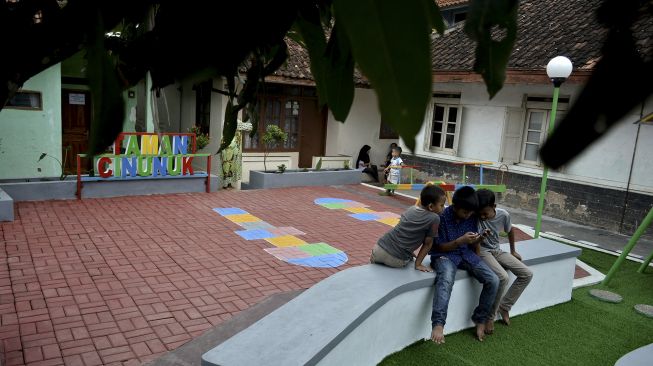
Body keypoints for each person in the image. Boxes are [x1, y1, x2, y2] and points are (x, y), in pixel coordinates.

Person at [430, 186, 499, 344]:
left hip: (466, 254)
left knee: (493, 280)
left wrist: (478, 239)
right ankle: (438, 324)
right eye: (465, 212)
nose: (468, 215)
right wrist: (459, 241)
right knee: (446, 279)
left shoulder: (472, 215)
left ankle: (480, 319)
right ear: (455, 207)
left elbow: (473, 243)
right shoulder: (442, 217)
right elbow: (438, 247)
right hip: (444, 256)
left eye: (470, 213)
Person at [476, 189, 533, 333]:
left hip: (497, 250)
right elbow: (474, 243)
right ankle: (490, 316)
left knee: (527, 274)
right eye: (480, 213)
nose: (482, 217)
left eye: (485, 213)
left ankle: (504, 307)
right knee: (502, 277)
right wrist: (480, 238)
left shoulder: (503, 215)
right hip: (482, 251)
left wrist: (513, 251)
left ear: (494, 207)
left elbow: (510, 230)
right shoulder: (475, 216)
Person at [370, 183, 446, 270]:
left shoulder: (411, 208)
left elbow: (404, 233)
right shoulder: (434, 218)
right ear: (431, 206)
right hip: (396, 259)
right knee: (409, 260)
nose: (443, 208)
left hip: (378, 249)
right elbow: (428, 244)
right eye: (442, 205)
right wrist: (418, 264)